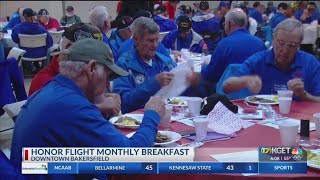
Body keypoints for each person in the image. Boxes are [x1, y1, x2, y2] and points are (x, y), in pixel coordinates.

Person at [10, 38, 166, 179]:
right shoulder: (73, 106)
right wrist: (152, 115)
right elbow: (134, 159)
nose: (107, 85)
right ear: (91, 69)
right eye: (107, 75)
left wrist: (97, 108)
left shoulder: (55, 89)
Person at [113, 17, 200, 113]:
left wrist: (190, 84)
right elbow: (122, 102)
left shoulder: (165, 62)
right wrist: (154, 83)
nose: (155, 45)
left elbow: (178, 97)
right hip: (138, 121)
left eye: (156, 40)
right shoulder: (124, 64)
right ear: (135, 40)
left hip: (168, 117)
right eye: (150, 41)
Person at [222, 19, 320, 102]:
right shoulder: (258, 60)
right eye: (281, 43)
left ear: (299, 45)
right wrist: (244, 80)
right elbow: (226, 87)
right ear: (273, 39)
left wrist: (303, 95)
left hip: (301, 121)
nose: (285, 51)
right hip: (265, 118)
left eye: (292, 45)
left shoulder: (310, 63)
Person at [201, 8, 266, 86]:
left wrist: (203, 67)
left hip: (226, 93)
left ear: (228, 24)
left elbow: (211, 75)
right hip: (254, 93)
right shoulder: (260, 43)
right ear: (245, 24)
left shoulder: (224, 44)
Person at [11, 8, 53, 73]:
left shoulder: (17, 28)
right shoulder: (41, 28)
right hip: (40, 54)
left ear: (23, 17)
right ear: (33, 17)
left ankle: (30, 67)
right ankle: (43, 69)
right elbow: (50, 42)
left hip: (25, 54)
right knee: (48, 49)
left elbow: (15, 40)